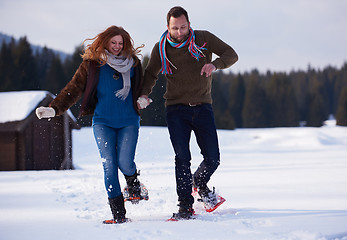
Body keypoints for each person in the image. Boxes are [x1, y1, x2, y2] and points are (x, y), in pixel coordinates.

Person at [35, 25, 151, 224]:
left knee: (124, 162)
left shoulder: (133, 64)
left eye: (120, 43)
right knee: (109, 165)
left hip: (129, 121)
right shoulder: (92, 65)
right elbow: (74, 88)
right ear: (105, 42)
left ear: (126, 44)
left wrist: (143, 98)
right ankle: (119, 215)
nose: (116, 46)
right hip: (102, 122)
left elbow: (142, 87)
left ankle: (133, 184)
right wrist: (54, 109)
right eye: (113, 42)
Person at [139, 6, 238, 220]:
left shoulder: (204, 39)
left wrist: (215, 64)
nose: (180, 32)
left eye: (183, 27)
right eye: (175, 28)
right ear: (168, 27)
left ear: (189, 24)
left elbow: (232, 55)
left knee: (213, 159)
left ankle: (198, 182)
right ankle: (185, 205)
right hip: (176, 109)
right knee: (182, 157)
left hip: (203, 107)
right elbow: (150, 74)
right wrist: (144, 95)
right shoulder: (161, 48)